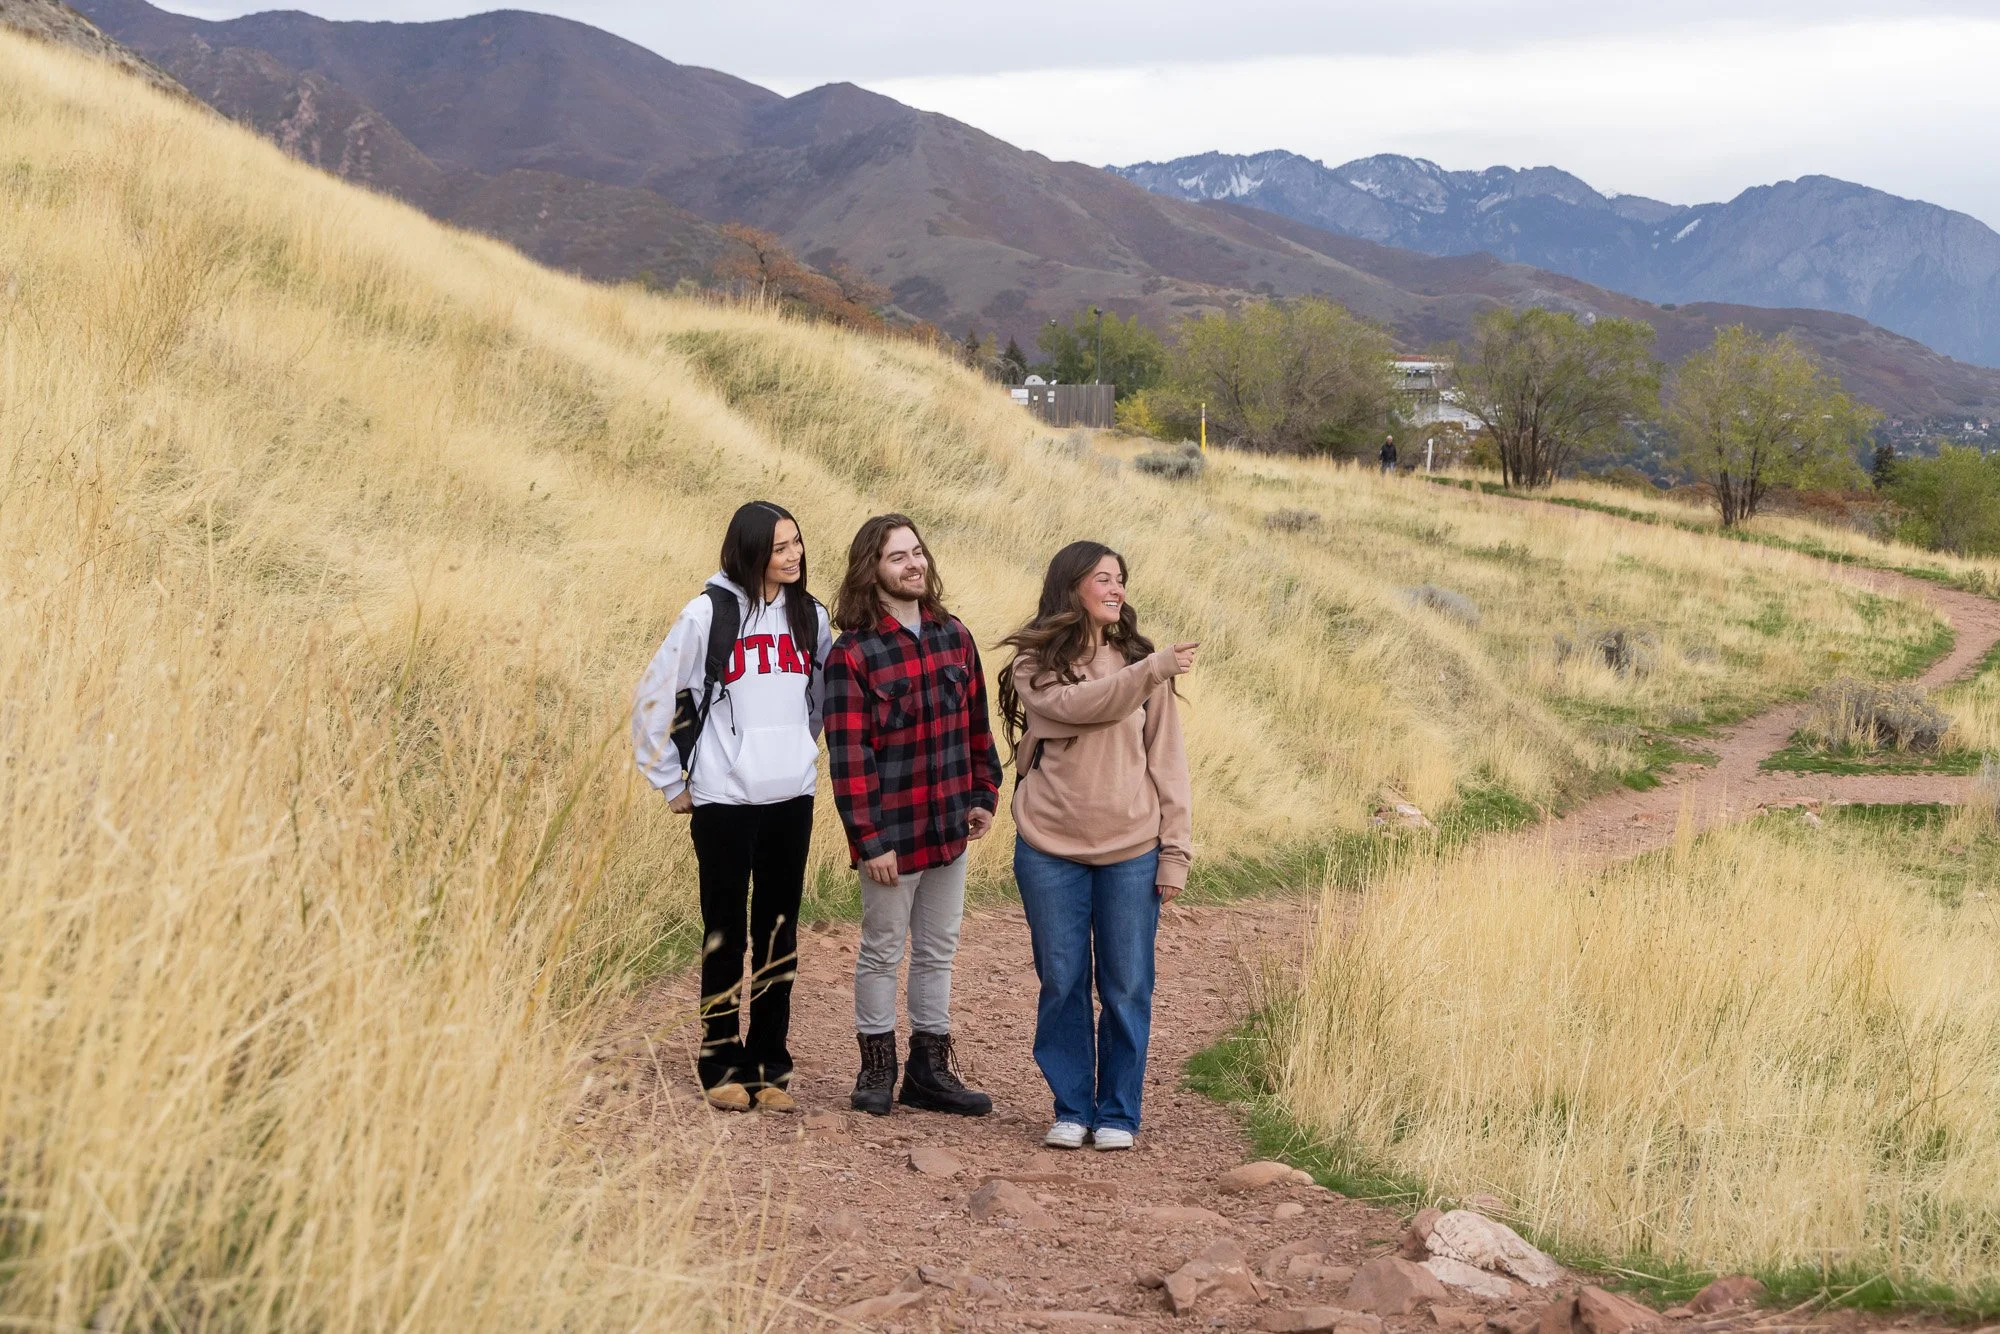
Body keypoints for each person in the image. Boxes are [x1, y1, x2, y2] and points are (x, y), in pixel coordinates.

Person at [632, 501, 833, 1114]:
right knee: (725, 932)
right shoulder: (706, 615)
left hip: (790, 796)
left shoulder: (810, 616)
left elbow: (820, 696)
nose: (793, 555)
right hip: (723, 798)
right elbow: (653, 697)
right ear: (749, 552)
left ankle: (771, 1061)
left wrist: (800, 752)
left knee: (777, 932)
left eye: (797, 542)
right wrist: (672, 780)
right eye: (779, 547)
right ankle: (719, 1056)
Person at [998, 541, 1195, 1151]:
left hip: (1133, 847)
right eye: (1102, 579)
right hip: (1048, 845)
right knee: (1061, 980)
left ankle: (1117, 1113)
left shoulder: (1138, 661)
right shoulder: (1037, 664)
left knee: (1127, 983)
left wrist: (1175, 851)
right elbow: (1077, 705)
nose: (1116, 589)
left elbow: (1168, 760)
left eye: (1120, 580)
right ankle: (1071, 1107)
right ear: (1071, 586)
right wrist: (1150, 672)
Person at [825, 514, 1003, 1117]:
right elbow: (850, 759)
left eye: (917, 552)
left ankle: (930, 1071)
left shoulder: (955, 635)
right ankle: (876, 1068)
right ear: (870, 570)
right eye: (897, 557)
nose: (913, 564)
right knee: (882, 949)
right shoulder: (851, 655)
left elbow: (978, 727)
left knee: (937, 950)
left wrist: (984, 793)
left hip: (950, 825)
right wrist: (869, 840)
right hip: (892, 838)